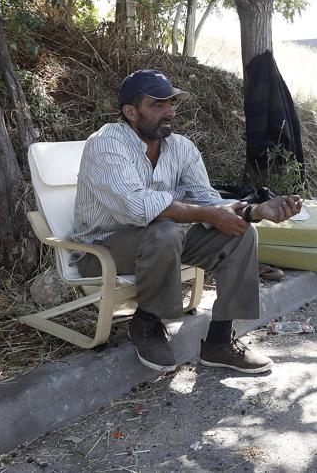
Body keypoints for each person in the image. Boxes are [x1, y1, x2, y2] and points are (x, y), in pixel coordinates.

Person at [73, 69, 303, 374]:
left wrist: (254, 212)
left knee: (240, 235)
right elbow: (137, 207)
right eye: (157, 105)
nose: (169, 112)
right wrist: (206, 214)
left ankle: (219, 342)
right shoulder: (107, 144)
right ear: (130, 112)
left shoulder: (180, 147)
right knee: (164, 232)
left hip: (162, 241)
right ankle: (146, 323)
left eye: (171, 104)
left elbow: (208, 201)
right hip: (103, 249)